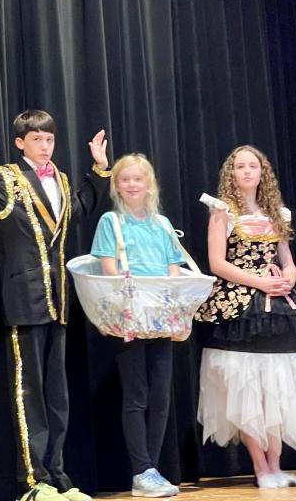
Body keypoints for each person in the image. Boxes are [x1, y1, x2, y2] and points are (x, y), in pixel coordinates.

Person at [0, 102, 110, 501]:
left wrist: (98, 171)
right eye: (37, 139)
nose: (45, 146)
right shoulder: (7, 178)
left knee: (57, 396)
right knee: (30, 395)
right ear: (21, 142)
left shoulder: (58, 177)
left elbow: (78, 210)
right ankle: (32, 479)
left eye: (50, 139)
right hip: (24, 298)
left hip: (57, 302)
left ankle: (57, 474)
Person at [195, 145, 296, 489]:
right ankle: (260, 466)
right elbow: (217, 263)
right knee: (246, 388)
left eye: (252, 166)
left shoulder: (277, 214)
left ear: (261, 172)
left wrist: (288, 278)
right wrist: (260, 282)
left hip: (278, 306)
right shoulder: (222, 212)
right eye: (239, 166)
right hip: (239, 307)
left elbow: (287, 258)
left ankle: (276, 464)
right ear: (232, 173)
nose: (246, 172)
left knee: (276, 387)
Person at [91, 153, 187, 498]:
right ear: (116, 185)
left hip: (160, 317)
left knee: (161, 395)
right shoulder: (110, 222)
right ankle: (140, 469)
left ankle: (152, 469)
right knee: (137, 394)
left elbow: (174, 269)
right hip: (130, 316)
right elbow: (108, 269)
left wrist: (171, 304)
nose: (132, 185)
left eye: (138, 179)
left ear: (150, 185)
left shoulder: (161, 225)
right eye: (125, 179)